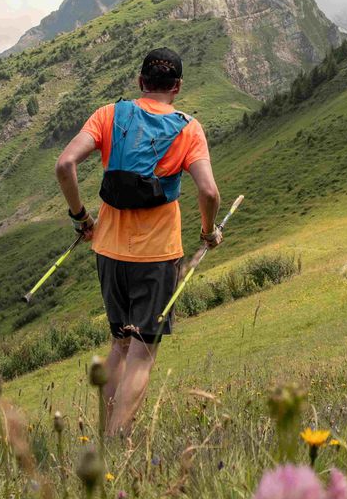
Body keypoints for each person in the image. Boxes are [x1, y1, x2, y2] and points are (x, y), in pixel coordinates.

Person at [54, 48, 222, 436]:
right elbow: (209, 192)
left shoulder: (109, 114)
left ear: (140, 82)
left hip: (108, 251)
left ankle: (105, 431)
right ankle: (116, 439)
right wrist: (208, 233)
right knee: (143, 352)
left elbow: (65, 164)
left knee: (119, 344)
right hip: (158, 257)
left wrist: (81, 217)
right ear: (177, 87)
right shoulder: (189, 128)